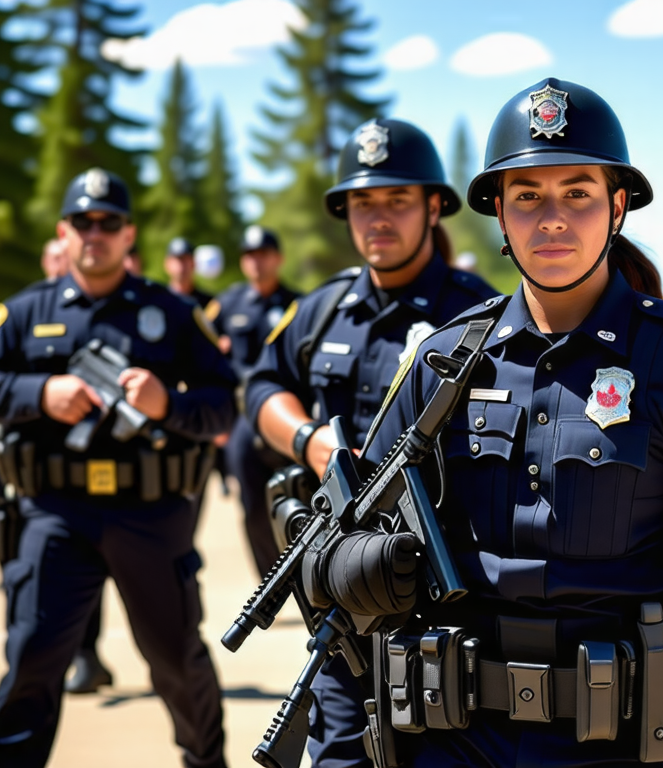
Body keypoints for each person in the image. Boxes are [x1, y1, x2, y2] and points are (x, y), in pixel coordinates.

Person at [326, 77, 663, 767]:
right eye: (528, 197)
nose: (553, 218)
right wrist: (359, 569)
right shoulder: (442, 362)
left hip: (614, 735)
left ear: (617, 207)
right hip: (452, 734)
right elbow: (355, 528)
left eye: (577, 193)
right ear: (500, 217)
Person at [244, 116, 500, 766]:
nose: (377, 218)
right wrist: (311, 445)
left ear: (435, 206)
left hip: (439, 600)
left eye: (396, 200)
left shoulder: (478, 316)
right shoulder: (322, 309)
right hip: (340, 588)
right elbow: (261, 390)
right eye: (363, 202)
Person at [0, 168, 233, 768]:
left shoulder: (171, 312)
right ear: (64, 232)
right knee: (32, 660)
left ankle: (206, 761)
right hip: (57, 513)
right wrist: (40, 393)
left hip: (151, 516)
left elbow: (224, 402)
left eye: (110, 223)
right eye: (83, 222)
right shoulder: (26, 311)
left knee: (177, 661)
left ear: (130, 234)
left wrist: (170, 404)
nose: (96, 234)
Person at [206, 226, 299, 574]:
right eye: (249, 255)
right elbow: (203, 353)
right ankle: (271, 576)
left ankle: (308, 570)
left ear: (279, 258)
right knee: (251, 499)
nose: (256, 262)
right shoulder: (227, 305)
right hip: (243, 416)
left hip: (287, 410)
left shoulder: (297, 304)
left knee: (299, 493)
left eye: (263, 254)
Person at [164, 237, 215, 308]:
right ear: (167, 264)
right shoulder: (159, 301)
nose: (181, 266)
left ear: (194, 263)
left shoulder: (209, 303)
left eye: (186, 260)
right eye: (178, 260)